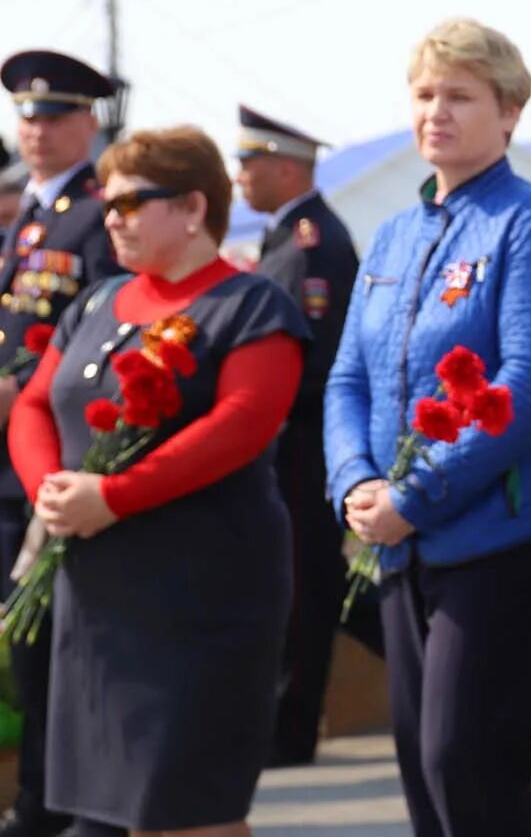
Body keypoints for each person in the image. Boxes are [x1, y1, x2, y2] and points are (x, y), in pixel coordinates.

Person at [324, 18, 531, 837]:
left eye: (461, 96)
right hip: (402, 540)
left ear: (509, 113)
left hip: (502, 538)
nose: (436, 111)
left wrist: (418, 489)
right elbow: (347, 379)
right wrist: (357, 483)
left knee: (465, 761)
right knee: (423, 769)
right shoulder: (396, 235)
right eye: (424, 94)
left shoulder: (529, 223)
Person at [8, 126, 308, 835]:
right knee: (103, 813)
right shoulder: (95, 302)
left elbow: (242, 425)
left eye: (131, 202)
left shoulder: (252, 306)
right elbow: (32, 403)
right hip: (100, 599)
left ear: (194, 206)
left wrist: (111, 496)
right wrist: (51, 488)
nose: (111, 217)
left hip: (201, 600)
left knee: (186, 812)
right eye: (108, 204)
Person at [0, 50, 121, 837]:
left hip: (64, 455)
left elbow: (102, 334)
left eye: (54, 116)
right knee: (27, 647)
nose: (37, 131)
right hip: (16, 454)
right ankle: (41, 800)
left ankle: (54, 805)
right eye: (28, 116)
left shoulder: (100, 211)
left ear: (90, 122)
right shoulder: (32, 213)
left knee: (50, 649)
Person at [233, 105, 365, 766]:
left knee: (308, 584)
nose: (239, 176)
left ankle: (291, 729)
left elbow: (316, 357)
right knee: (305, 581)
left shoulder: (312, 242)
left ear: (286, 168)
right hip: (289, 443)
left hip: (305, 442)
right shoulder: (287, 236)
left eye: (248, 163)